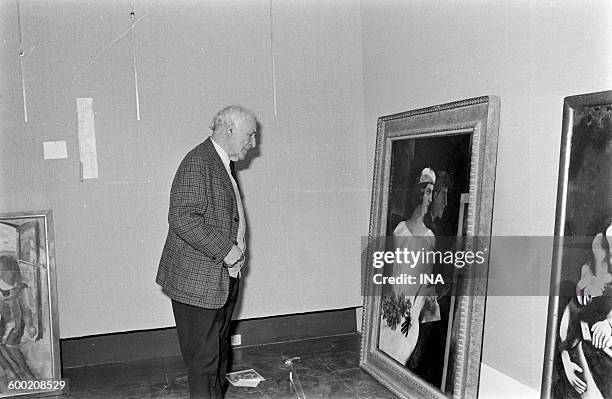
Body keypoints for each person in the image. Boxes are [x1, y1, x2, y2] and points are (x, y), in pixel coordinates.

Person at [156, 105, 257, 398]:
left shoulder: (220, 162)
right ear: (229, 130)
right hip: (197, 284)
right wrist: (226, 249)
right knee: (204, 363)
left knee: (217, 356)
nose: (253, 144)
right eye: (249, 135)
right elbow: (182, 217)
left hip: (221, 280)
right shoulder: (198, 162)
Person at [379, 167, 441, 366]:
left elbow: (426, 284)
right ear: (419, 192)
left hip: (410, 320)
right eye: (428, 192)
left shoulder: (430, 238)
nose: (430, 199)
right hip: (390, 313)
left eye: (433, 193)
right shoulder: (399, 230)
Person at [558, 221, 612, 399]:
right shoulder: (594, 276)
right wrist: (566, 357)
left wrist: (610, 323)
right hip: (593, 359)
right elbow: (572, 314)